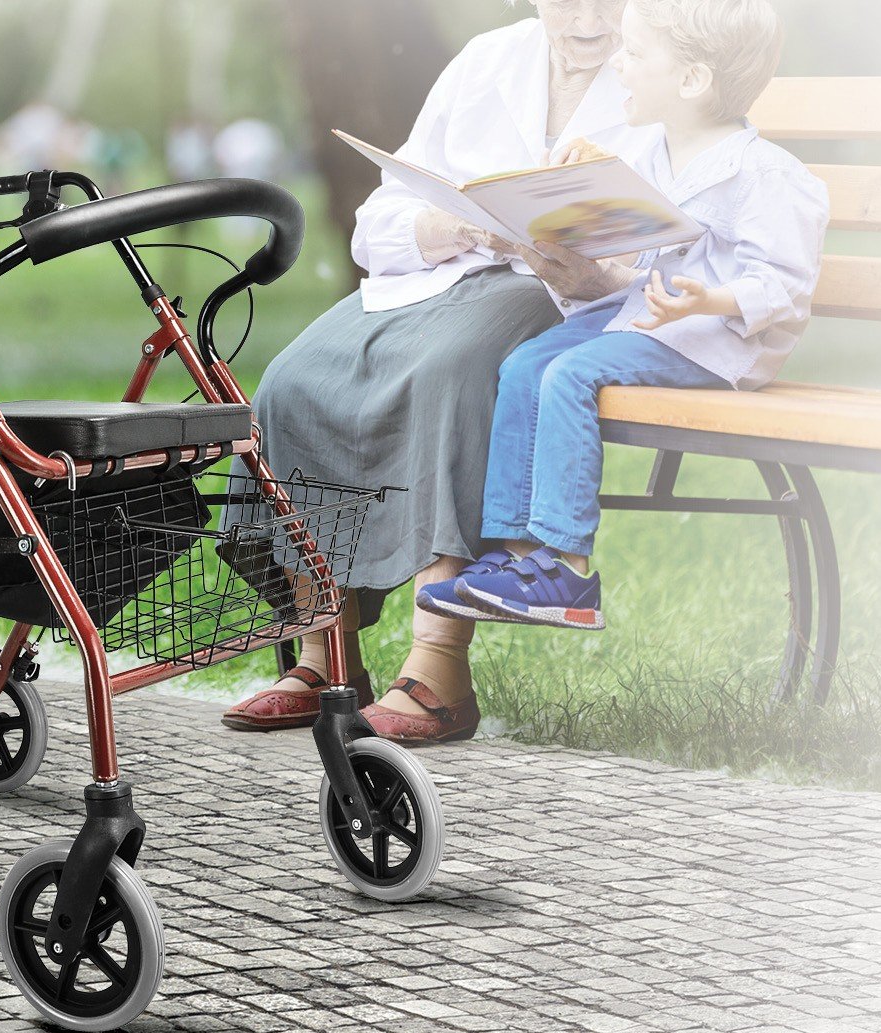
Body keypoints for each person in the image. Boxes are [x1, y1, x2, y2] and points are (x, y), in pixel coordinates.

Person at [223, 0, 657, 742]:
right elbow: (381, 220)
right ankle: (327, 653)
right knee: (290, 384)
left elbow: (675, 246)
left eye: (607, 2)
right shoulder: (489, 59)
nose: (588, 20)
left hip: (557, 296)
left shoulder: (659, 71)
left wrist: (589, 267)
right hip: (435, 278)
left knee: (452, 375)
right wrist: (457, 225)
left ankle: (439, 666)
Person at [418, 0, 828, 644]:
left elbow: (784, 287)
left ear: (692, 80)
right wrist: (584, 183)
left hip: (713, 343)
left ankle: (569, 569)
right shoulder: (662, 152)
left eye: (635, 54)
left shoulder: (765, 175)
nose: (617, 62)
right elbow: (640, 230)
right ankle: (517, 553)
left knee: (573, 373)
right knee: (527, 362)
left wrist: (707, 302)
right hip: (655, 315)